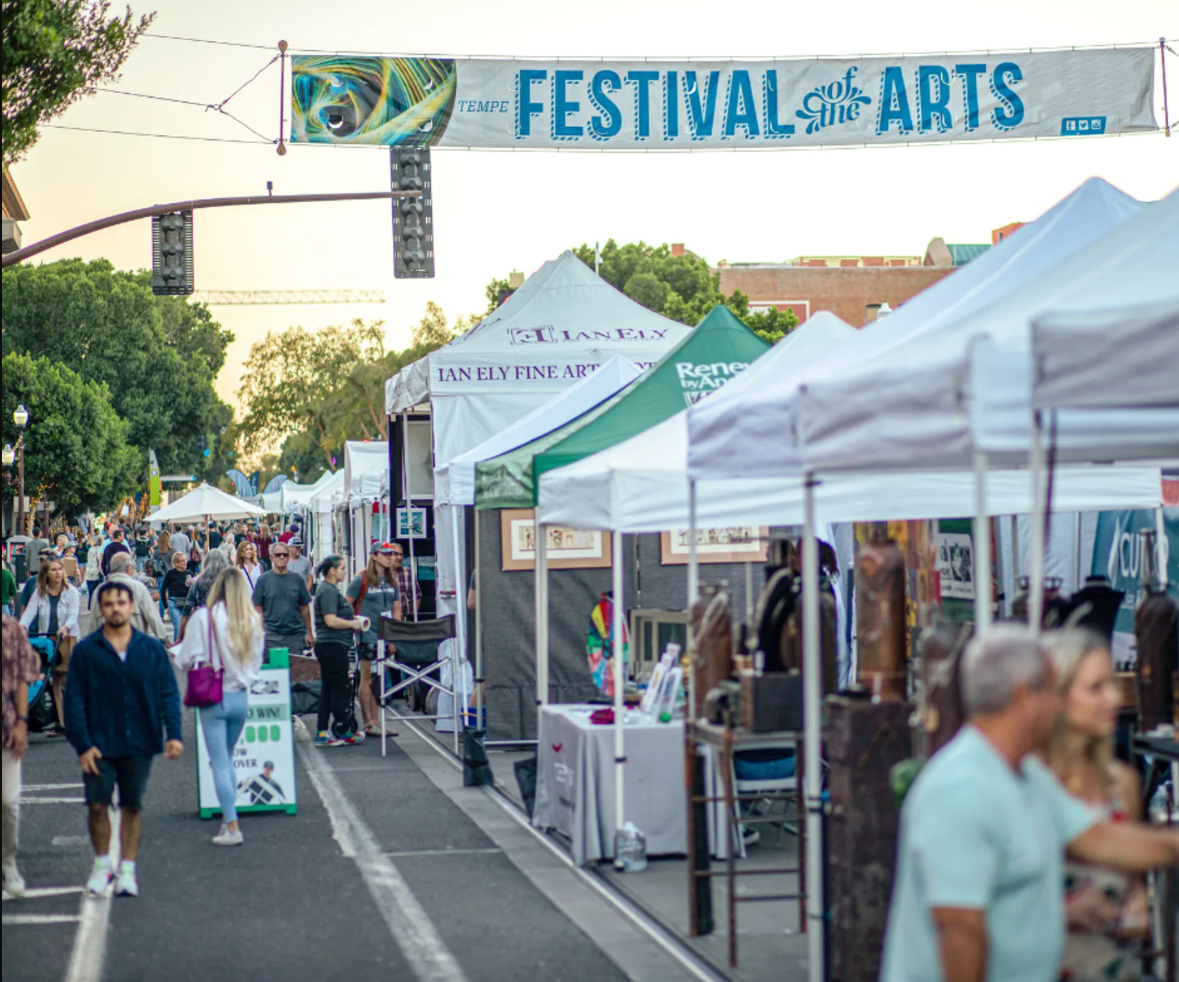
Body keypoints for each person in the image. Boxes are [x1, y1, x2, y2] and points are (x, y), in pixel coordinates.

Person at [881, 625, 1179, 982]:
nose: (1058, 706)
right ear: (1024, 698)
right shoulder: (961, 789)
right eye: (1053, 693)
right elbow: (959, 932)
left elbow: (1101, 840)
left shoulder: (1025, 777)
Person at [1042, 630, 1150, 982]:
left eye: (1113, 684)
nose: (1115, 698)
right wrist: (1064, 913)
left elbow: (1134, 885)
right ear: (1057, 696)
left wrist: (1136, 908)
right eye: (1096, 687)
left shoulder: (1122, 784)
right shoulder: (1029, 783)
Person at [65, 581, 183, 897]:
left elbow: (168, 692)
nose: (115, 608)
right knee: (97, 805)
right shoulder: (87, 652)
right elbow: (74, 699)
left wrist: (174, 733)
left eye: (121, 602)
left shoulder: (151, 649)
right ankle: (102, 865)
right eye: (109, 603)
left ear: (132, 607)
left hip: (139, 740)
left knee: (132, 806)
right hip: (98, 742)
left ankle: (128, 870)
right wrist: (82, 744)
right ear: (100, 610)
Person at [172, 569, 262, 846]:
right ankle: (227, 819)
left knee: (220, 762)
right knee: (228, 758)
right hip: (241, 696)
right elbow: (256, 663)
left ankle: (232, 825)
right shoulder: (252, 620)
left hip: (213, 695)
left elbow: (185, 658)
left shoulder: (204, 617)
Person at [345, 543, 402, 736]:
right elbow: (346, 605)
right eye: (385, 554)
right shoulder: (360, 579)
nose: (390, 557)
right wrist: (355, 624)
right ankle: (368, 721)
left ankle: (376, 721)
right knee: (367, 678)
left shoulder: (391, 580)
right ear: (374, 556)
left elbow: (396, 609)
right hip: (367, 635)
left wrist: (394, 637)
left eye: (391, 554)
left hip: (384, 636)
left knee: (379, 679)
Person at [20, 557, 81, 735]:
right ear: (46, 573)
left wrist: (65, 627)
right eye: (53, 570)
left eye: (60, 569)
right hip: (47, 639)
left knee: (64, 681)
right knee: (52, 680)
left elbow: (73, 615)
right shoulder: (40, 592)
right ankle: (61, 723)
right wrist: (21, 627)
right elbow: (29, 613)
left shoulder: (72, 592)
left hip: (67, 638)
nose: (58, 573)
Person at [3, 613, 39, 897]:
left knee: (7, 801)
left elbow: (23, 676)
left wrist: (22, 722)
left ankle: (8, 862)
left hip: (6, 726)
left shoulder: (9, 628)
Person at [312, 556, 366, 747]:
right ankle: (343, 730)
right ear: (333, 571)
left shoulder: (329, 590)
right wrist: (353, 623)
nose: (345, 571)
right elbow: (330, 620)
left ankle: (322, 731)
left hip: (331, 646)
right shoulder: (327, 591)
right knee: (338, 689)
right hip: (332, 646)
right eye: (342, 568)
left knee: (328, 689)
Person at [86, 553, 169, 643]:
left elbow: (93, 624)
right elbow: (152, 616)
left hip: (106, 647)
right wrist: (164, 638)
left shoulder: (99, 590)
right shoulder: (138, 587)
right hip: (135, 646)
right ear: (129, 568)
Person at [251, 543, 313, 659]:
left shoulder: (297, 579)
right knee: (275, 672)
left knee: (294, 673)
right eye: (278, 555)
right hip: (271, 636)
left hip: (294, 635)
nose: (281, 557)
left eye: (285, 555)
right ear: (271, 557)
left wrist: (309, 633)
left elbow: (304, 607)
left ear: (288, 557)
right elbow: (258, 609)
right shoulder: (263, 580)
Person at [177, 550, 228, 640]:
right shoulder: (228, 582)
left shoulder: (197, 582)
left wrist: (180, 637)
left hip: (204, 625)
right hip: (226, 626)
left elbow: (187, 610)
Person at [159, 552, 193, 643]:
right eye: (182, 561)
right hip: (174, 602)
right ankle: (176, 650)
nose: (185, 562)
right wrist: (166, 606)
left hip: (186, 603)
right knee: (178, 626)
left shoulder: (189, 573)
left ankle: (184, 648)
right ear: (176, 563)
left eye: (185, 560)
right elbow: (163, 589)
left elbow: (193, 591)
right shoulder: (171, 573)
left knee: (186, 628)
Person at [391, 543, 423, 620]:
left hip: (405, 619)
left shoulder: (408, 572)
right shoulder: (380, 574)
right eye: (395, 554)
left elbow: (417, 596)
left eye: (400, 555)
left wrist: (412, 616)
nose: (399, 557)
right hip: (386, 620)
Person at [83, 533, 104, 610]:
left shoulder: (90, 550)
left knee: (91, 592)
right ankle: (97, 608)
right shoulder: (100, 550)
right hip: (96, 573)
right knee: (98, 592)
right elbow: (100, 560)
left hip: (89, 573)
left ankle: (90, 607)